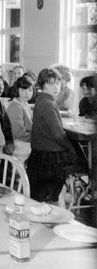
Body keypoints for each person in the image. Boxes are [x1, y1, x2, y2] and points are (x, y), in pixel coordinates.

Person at [27, 69, 87, 202]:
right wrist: (71, 148)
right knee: (86, 161)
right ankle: (70, 194)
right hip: (50, 157)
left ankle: (64, 192)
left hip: (39, 155)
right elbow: (58, 135)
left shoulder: (41, 100)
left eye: (58, 83)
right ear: (43, 85)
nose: (56, 87)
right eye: (51, 84)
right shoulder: (48, 104)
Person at [5, 76, 34, 165]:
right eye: (23, 90)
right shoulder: (15, 106)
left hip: (24, 140)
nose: (27, 93)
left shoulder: (25, 104)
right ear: (17, 90)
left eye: (30, 90)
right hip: (17, 143)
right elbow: (18, 132)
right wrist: (35, 138)